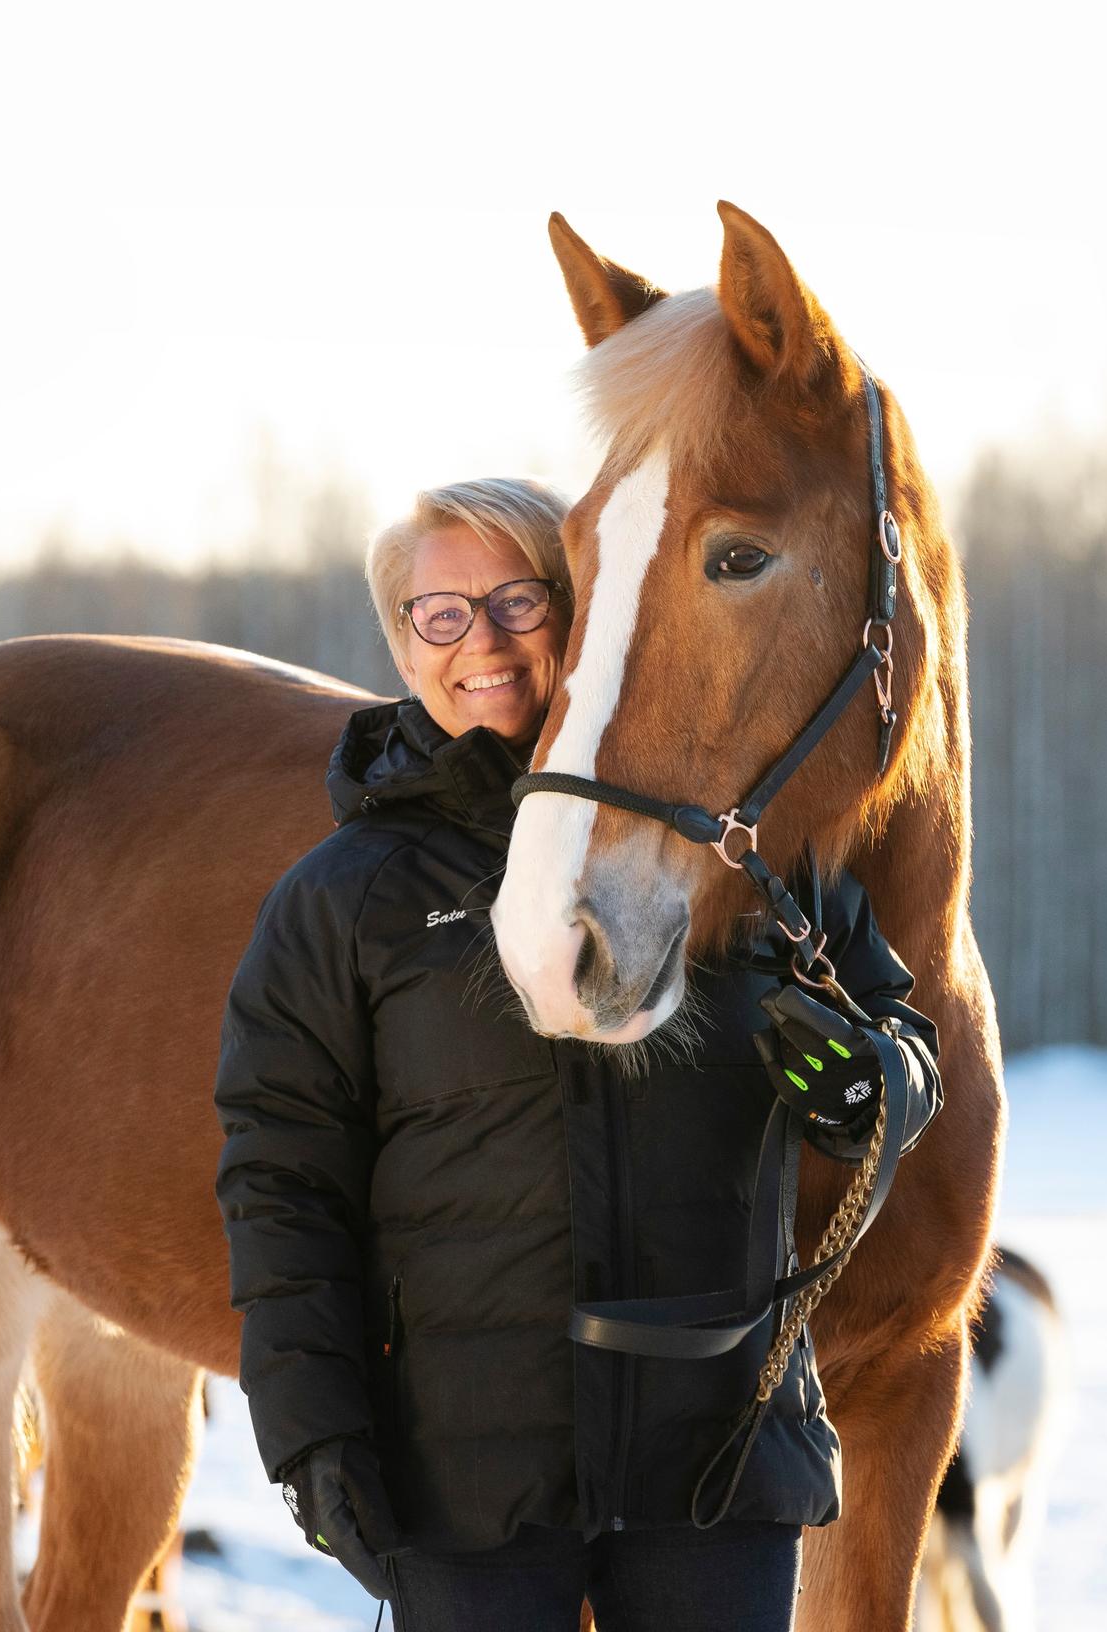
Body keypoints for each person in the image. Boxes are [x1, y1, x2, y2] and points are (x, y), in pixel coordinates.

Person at [214, 477, 942, 1631]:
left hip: (717, 1466)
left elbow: (901, 1034)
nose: (482, 643)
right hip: (465, 1481)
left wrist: (875, 1088)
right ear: (404, 651)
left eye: (516, 599)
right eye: (438, 614)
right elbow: (280, 1183)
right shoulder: (342, 903)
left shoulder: (733, 840)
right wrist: (313, 1433)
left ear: (589, 612)